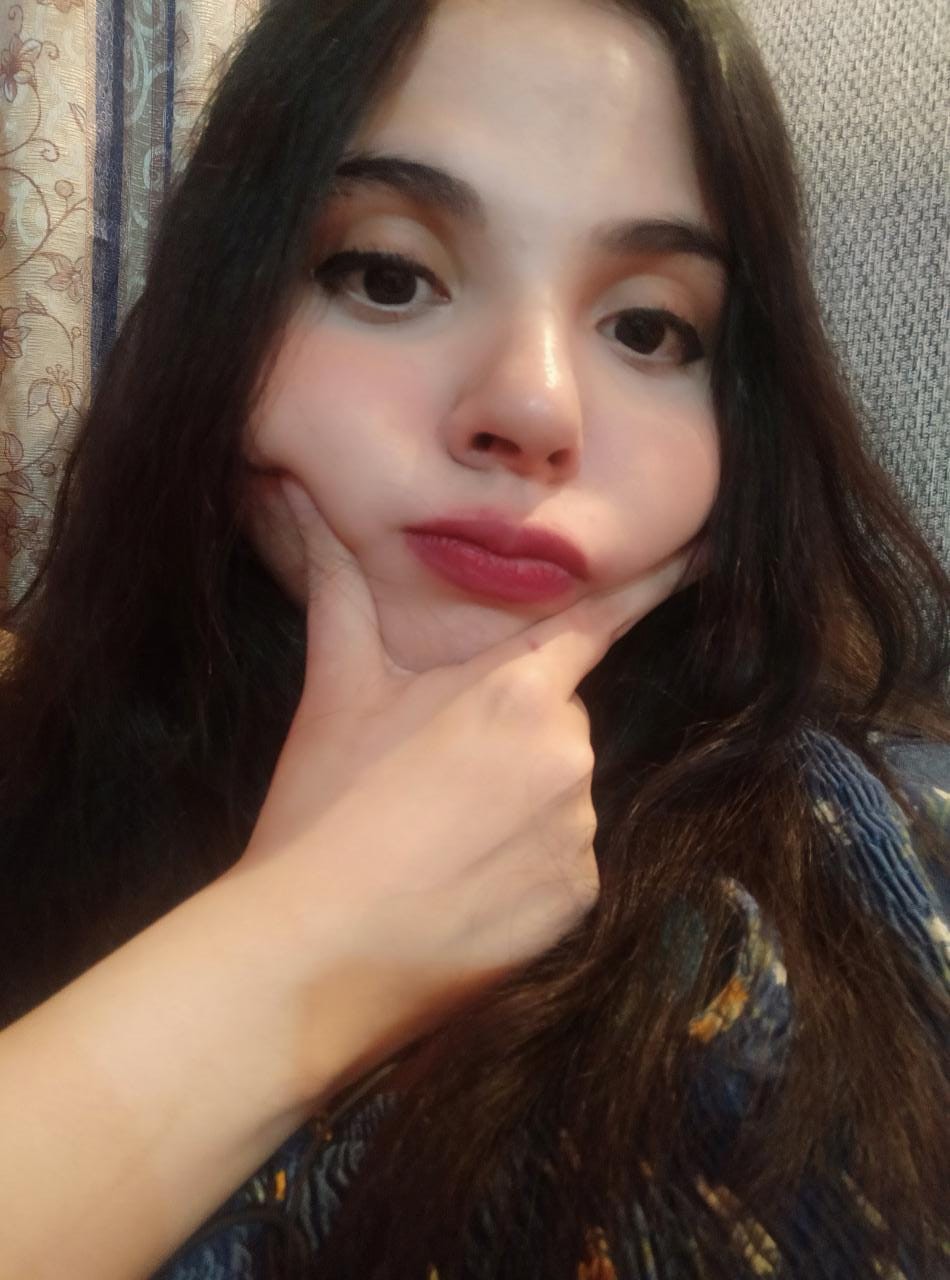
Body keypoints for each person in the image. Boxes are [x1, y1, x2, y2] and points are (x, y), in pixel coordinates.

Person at [0, 0, 946, 1275]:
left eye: (648, 328)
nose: (533, 406)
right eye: (387, 276)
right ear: (215, 326)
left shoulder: (860, 867)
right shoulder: (36, 766)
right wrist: (315, 924)